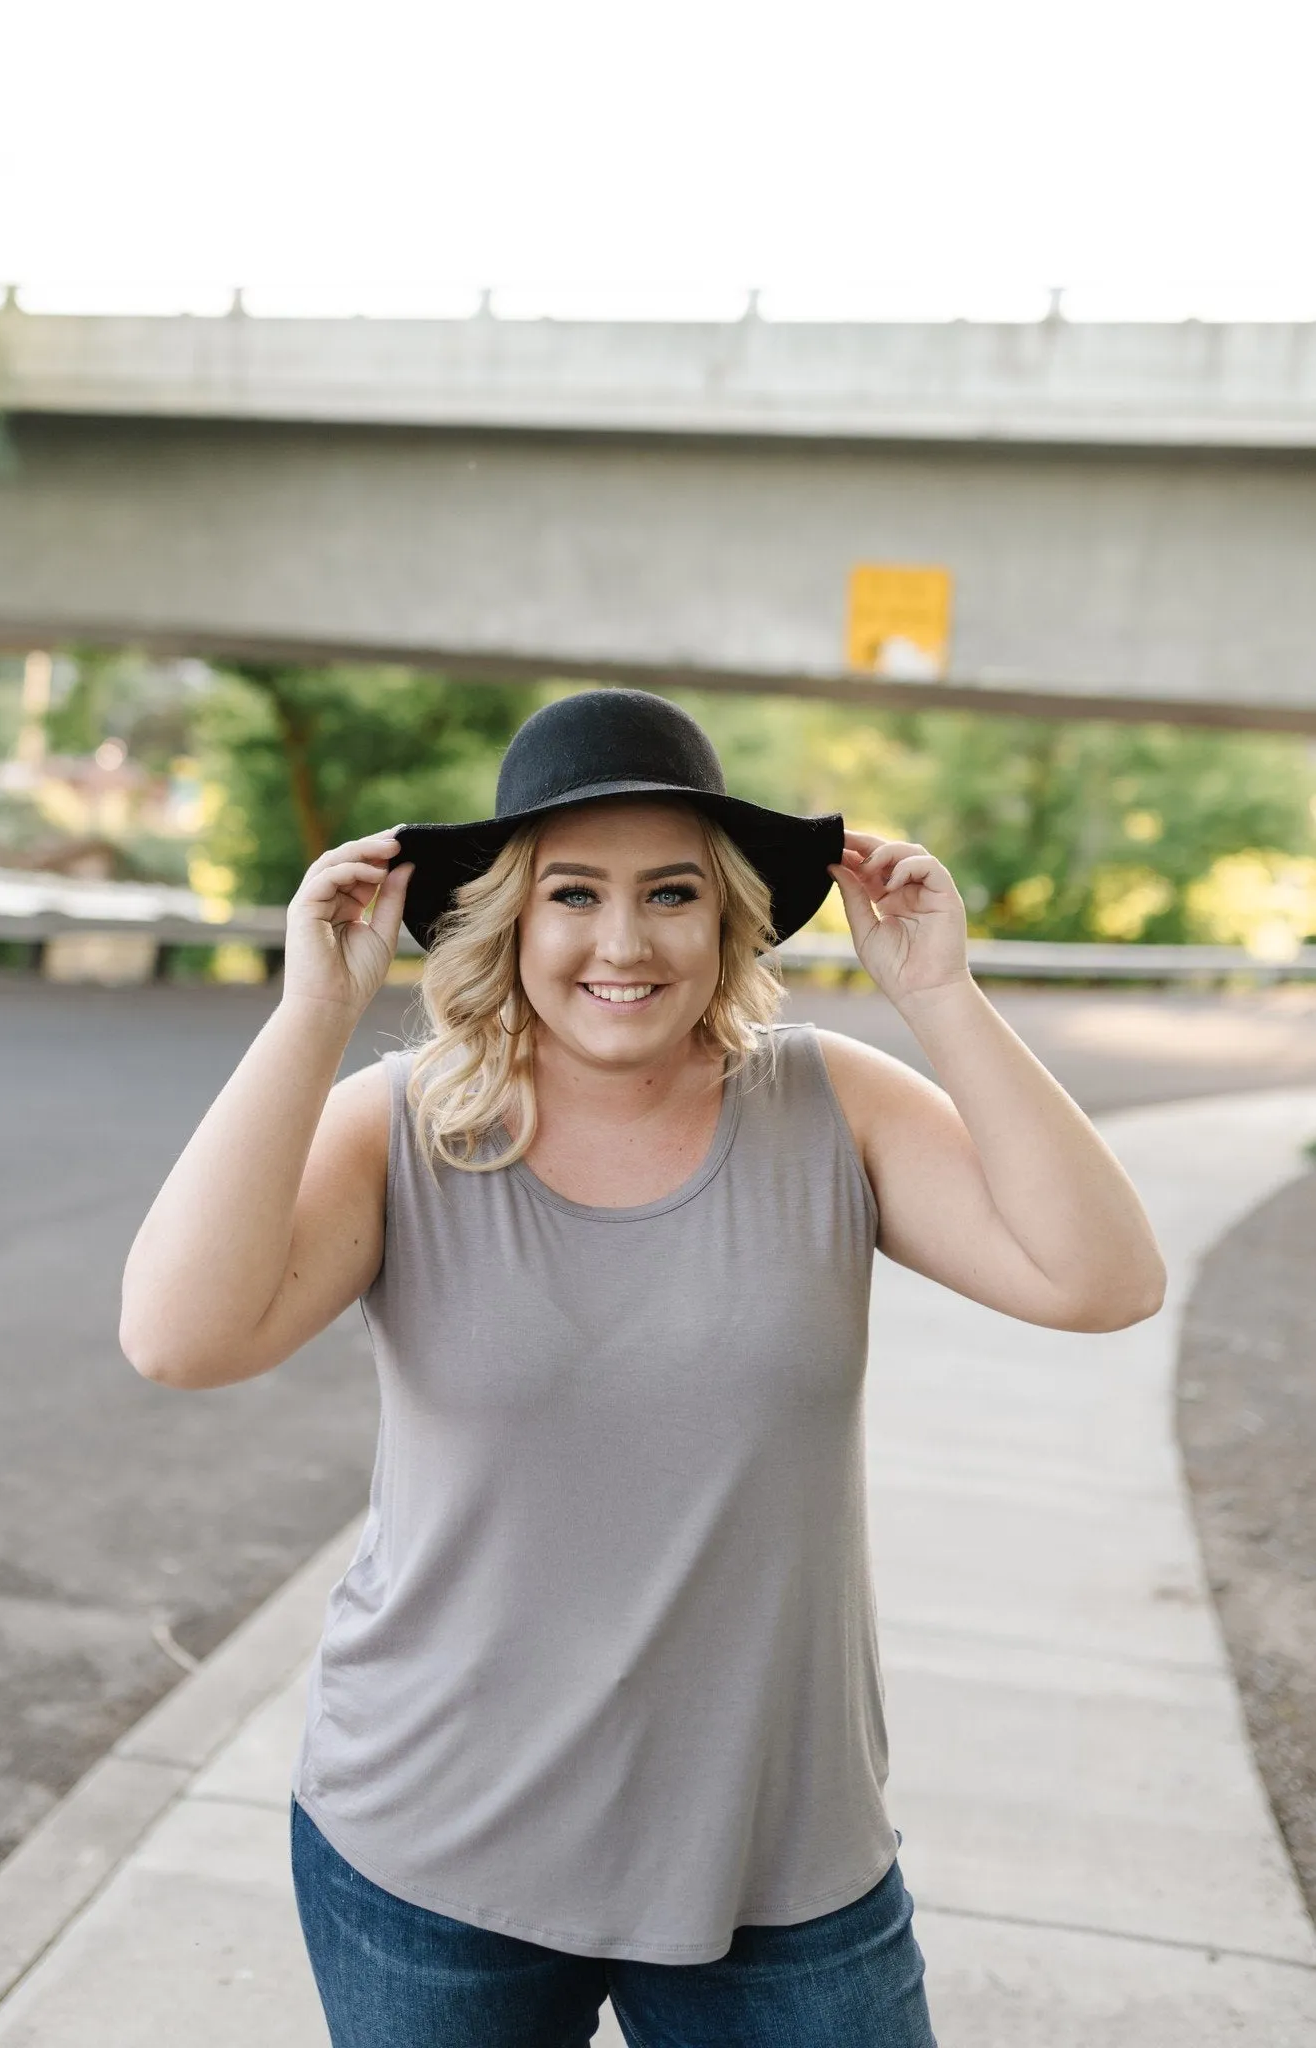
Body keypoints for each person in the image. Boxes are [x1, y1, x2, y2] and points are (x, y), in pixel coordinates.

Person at [120, 688, 1167, 2047]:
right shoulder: (402, 1130)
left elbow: (1105, 1281)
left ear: (728, 917)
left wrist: (943, 997)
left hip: (778, 1864)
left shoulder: (827, 1106)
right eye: (573, 894)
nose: (623, 941)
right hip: (438, 1854)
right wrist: (313, 1015)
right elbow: (179, 1338)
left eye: (672, 893)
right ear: (510, 915)